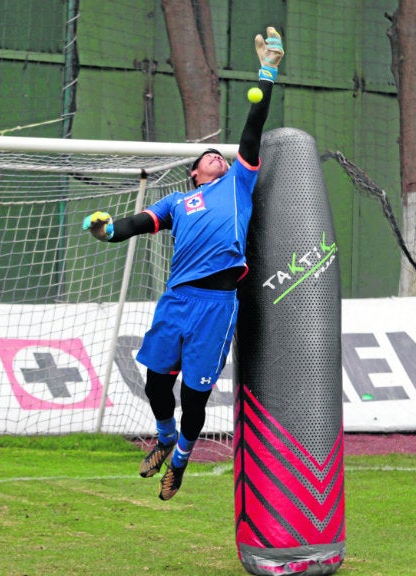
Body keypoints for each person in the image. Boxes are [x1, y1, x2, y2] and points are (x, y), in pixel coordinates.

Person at [82, 27, 284, 501]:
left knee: (195, 395)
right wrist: (106, 231)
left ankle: (180, 459)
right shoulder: (178, 202)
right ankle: (165, 435)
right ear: (194, 172)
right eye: (206, 156)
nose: (216, 156)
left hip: (217, 304)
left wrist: (267, 72)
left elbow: (253, 128)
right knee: (156, 382)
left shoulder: (238, 183)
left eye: (220, 155)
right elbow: (136, 223)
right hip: (178, 299)